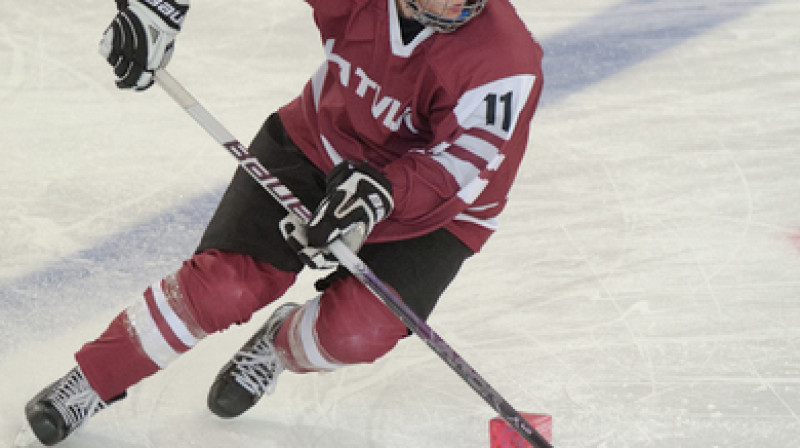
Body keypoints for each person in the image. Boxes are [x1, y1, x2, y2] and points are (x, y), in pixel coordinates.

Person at [23, 0, 544, 445]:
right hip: (317, 147)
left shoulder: (505, 59)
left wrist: (383, 194)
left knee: (356, 333)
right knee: (223, 288)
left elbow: (458, 166)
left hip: (435, 211)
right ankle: (93, 381)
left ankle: (277, 343)